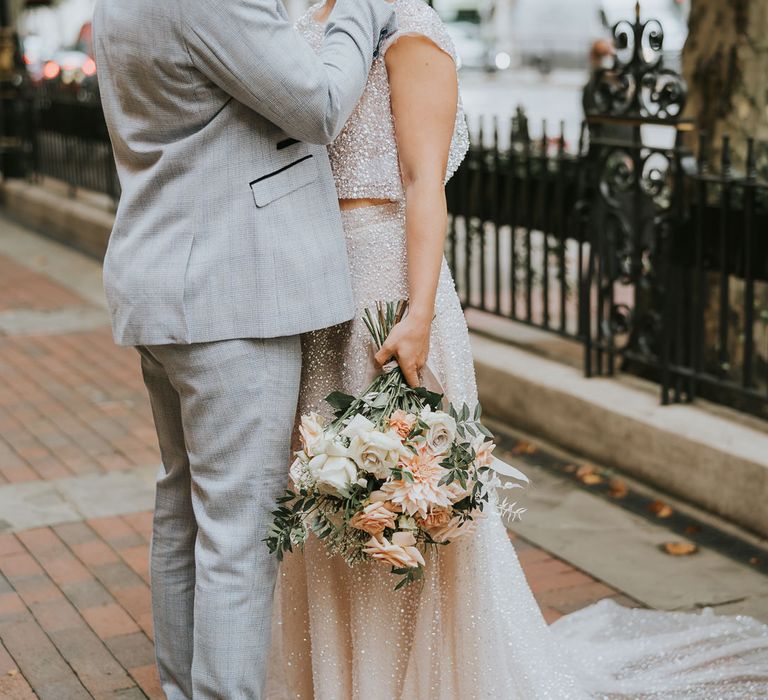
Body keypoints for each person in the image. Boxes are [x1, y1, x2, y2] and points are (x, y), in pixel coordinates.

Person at [265, 0, 768, 698]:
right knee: (328, 494)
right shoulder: (301, 18)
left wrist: (414, 316)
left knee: (399, 497)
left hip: (386, 289)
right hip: (315, 288)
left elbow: (423, 185)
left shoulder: (407, 26)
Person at [92, 0, 396, 697]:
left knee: (183, 510)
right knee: (239, 532)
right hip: (232, 293)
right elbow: (318, 105)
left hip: (165, 278)